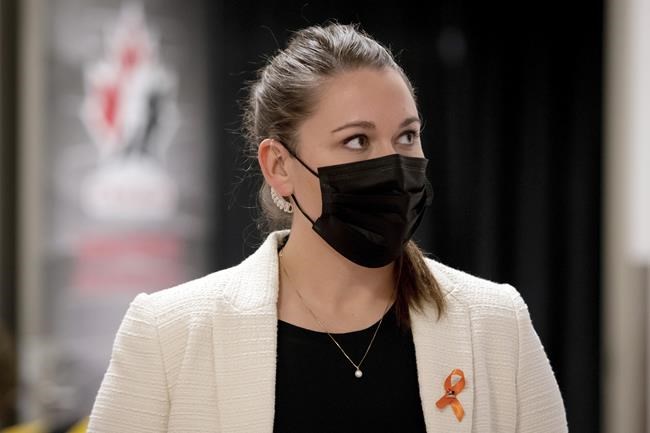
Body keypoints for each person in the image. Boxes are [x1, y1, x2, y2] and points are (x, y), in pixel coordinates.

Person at [87, 23, 567, 432]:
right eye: (357, 141)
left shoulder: (497, 324)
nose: (393, 165)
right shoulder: (167, 336)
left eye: (407, 136)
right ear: (279, 166)